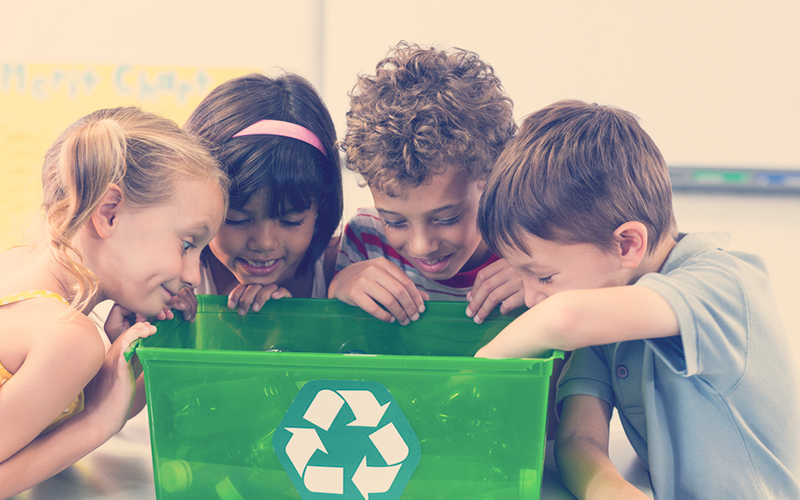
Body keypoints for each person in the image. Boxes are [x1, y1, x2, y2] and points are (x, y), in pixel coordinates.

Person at [475, 100, 800, 498]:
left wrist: (474, 374)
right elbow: (577, 438)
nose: (530, 297)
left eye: (542, 276)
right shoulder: (606, 311)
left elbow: (564, 318)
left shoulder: (723, 284)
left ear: (628, 244)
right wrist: (611, 491)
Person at [0, 106, 227, 497]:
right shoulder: (69, 338)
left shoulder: (15, 262)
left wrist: (117, 380)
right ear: (109, 213)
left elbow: (30, 426)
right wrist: (98, 421)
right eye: (188, 244)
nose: (193, 274)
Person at [330, 41, 523, 326]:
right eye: (394, 222)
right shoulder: (367, 239)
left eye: (447, 218)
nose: (422, 247)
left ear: (493, 178)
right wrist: (337, 289)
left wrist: (542, 280)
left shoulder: (531, 246)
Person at [180, 72, 343, 316]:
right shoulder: (178, 281)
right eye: (237, 219)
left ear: (322, 207)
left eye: (291, 221)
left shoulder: (340, 268)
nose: (265, 242)